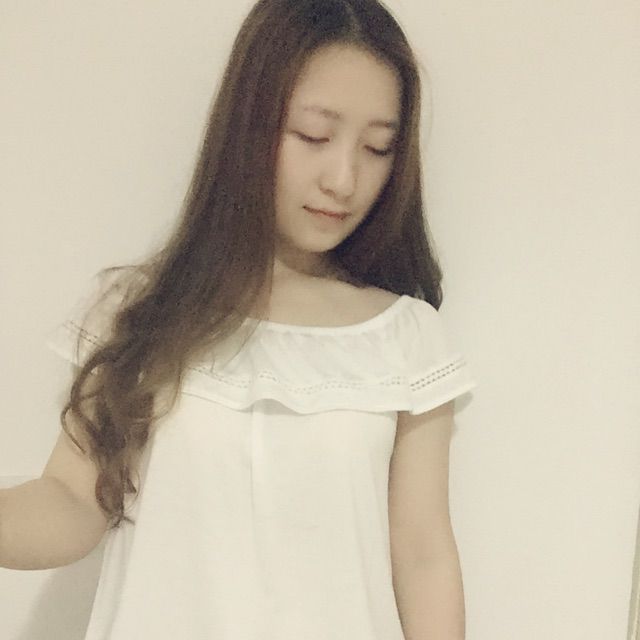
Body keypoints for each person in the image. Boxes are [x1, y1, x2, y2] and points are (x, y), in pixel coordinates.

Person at [0, 0, 476, 638]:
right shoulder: (141, 312)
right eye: (313, 136)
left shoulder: (405, 337)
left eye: (376, 148)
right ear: (248, 124)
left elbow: (422, 554)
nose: (344, 179)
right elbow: (71, 502)